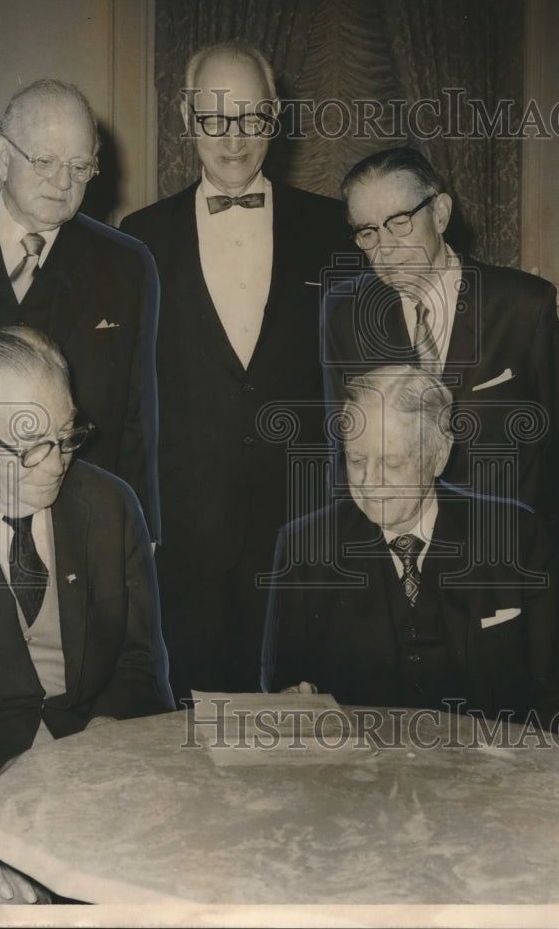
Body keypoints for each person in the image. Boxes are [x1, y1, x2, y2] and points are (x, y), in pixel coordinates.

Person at [120, 41, 349, 701]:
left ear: (275, 118)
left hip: (301, 529)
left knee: (298, 736)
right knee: (190, 736)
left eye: (250, 118)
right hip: (184, 539)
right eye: (215, 119)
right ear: (187, 120)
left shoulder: (332, 229)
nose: (233, 139)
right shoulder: (139, 238)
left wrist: (525, 297)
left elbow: (411, 292)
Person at [0, 327, 175, 905]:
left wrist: (99, 748)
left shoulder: (109, 505)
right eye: (33, 445)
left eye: (67, 437)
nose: (58, 464)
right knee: (8, 908)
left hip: (91, 773)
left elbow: (138, 663)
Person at [261, 366, 559, 732]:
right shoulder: (304, 547)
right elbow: (285, 683)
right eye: (357, 460)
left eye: (391, 462)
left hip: (494, 775)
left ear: (439, 455)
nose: (370, 482)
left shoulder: (518, 537)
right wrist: (293, 696)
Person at [0, 79, 161, 540]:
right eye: (45, 161)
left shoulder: (126, 264)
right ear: (3, 157)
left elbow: (136, 416)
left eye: (80, 166)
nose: (64, 182)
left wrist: (137, 526)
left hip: (78, 524)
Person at [322, 147, 559, 518]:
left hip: (503, 547)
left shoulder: (526, 305)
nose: (385, 248)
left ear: (440, 213)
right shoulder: (347, 316)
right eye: (368, 231)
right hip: (398, 552)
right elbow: (345, 445)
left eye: (399, 221)